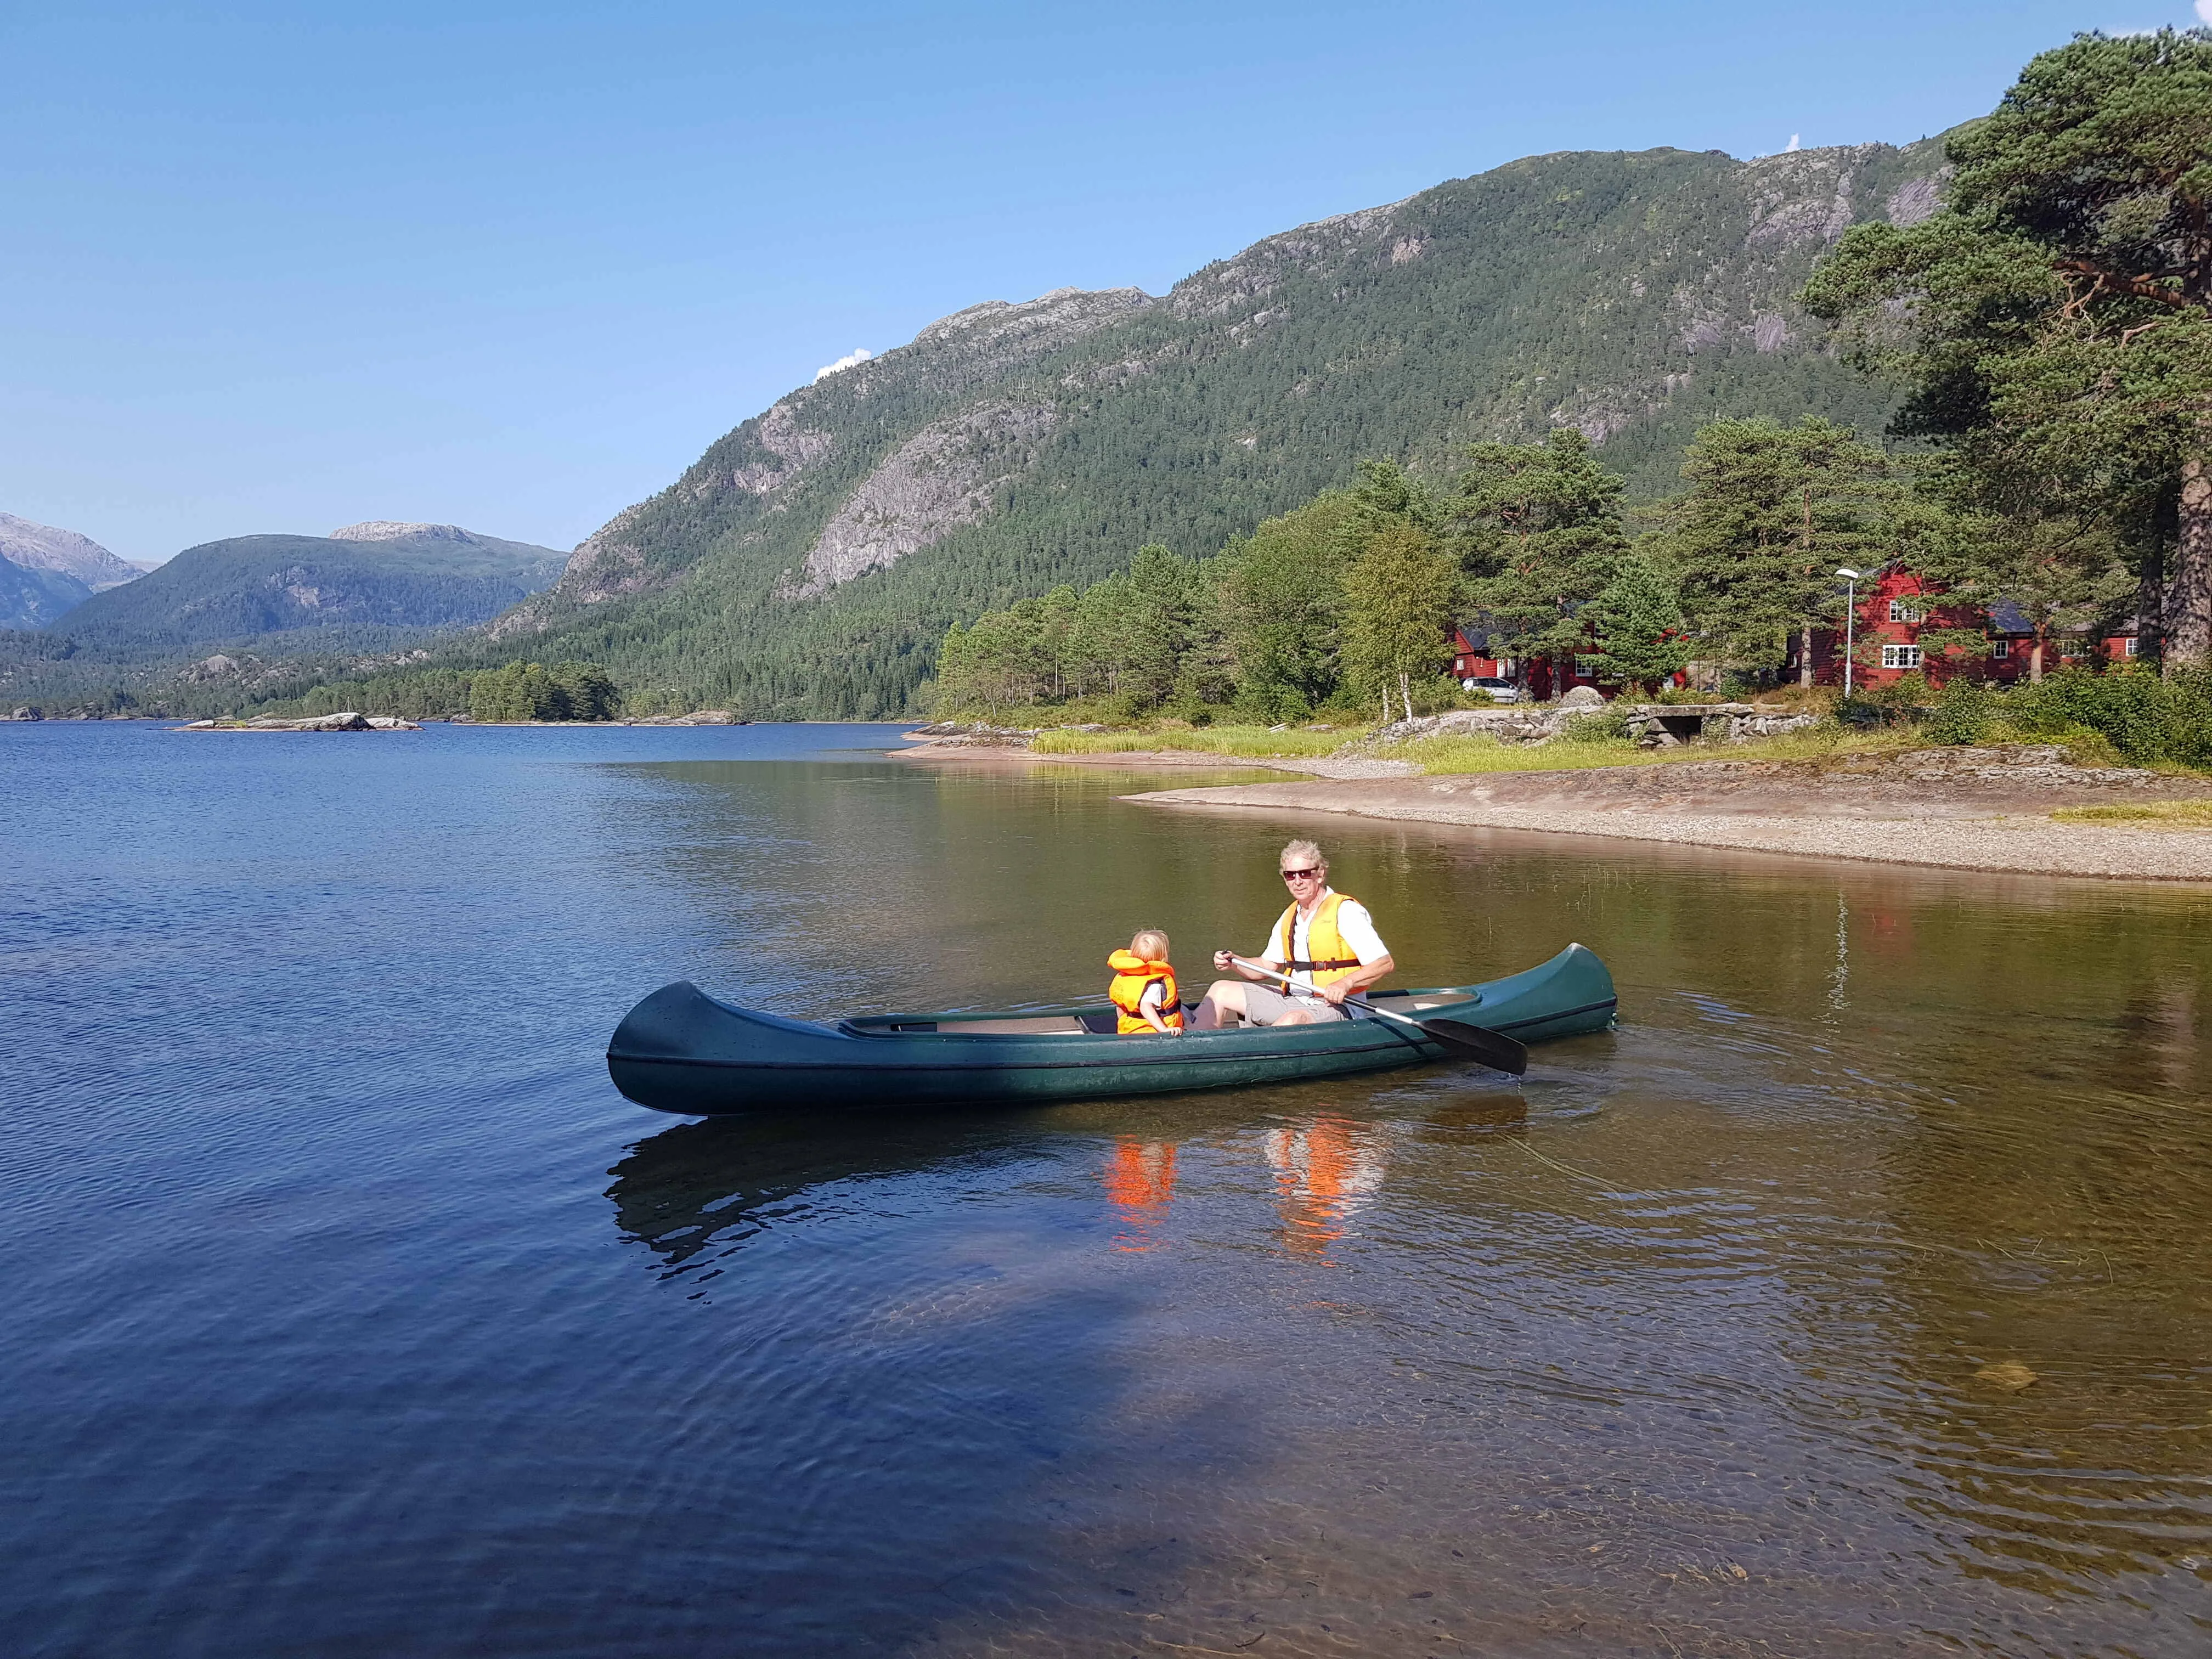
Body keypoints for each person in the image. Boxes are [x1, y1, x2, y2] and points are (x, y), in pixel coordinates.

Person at [1191, 840, 1395, 1028]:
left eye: (1304, 874)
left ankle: (1256, 1052)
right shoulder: (1290, 916)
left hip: (1338, 1007)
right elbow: (1266, 966)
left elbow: (1384, 963)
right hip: (1293, 1000)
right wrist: (1234, 962)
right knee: (1221, 990)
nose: (1297, 881)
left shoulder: (1345, 911)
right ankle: (1192, 1045)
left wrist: (1345, 983)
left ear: (1320, 875)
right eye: (1290, 875)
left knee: (1293, 1019)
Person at [1107, 929, 1185, 1035]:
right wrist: (1164, 1030)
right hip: (1151, 1035)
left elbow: (1121, 1007)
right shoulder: (1155, 984)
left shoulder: (1126, 977)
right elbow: (1146, 1007)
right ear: (1163, 957)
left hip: (1129, 1032)